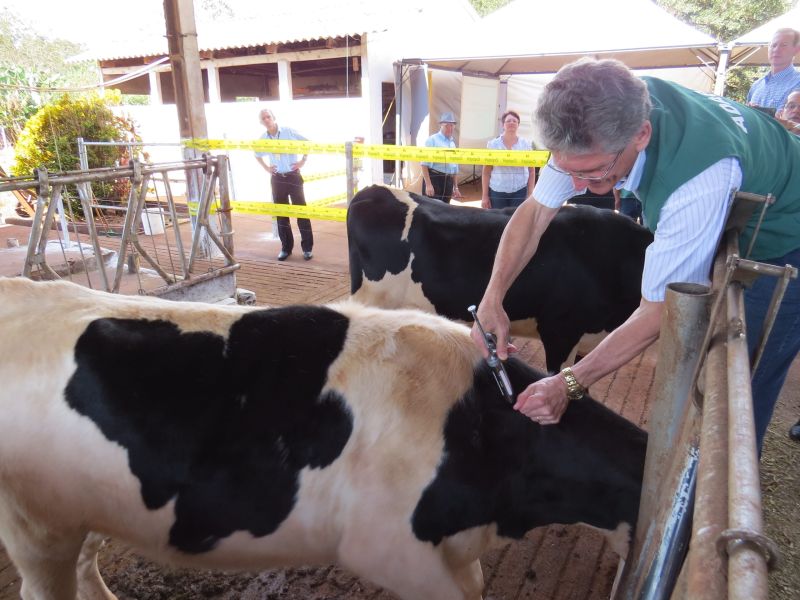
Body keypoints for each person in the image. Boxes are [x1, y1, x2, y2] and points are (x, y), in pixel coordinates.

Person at [472, 58, 800, 454]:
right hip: (747, 199)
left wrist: (568, 383)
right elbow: (536, 213)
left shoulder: (694, 180)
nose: (576, 185)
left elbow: (659, 310)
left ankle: (713, 491)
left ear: (641, 134)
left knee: (741, 379)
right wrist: (493, 299)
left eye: (592, 173)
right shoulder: (606, 104)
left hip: (785, 240)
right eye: (566, 169)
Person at [254, 108, 314, 261]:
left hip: (293, 177)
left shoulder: (288, 132)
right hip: (277, 179)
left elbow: (307, 143)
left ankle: (307, 248)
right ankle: (286, 248)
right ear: (261, 122)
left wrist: (302, 161)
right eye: (263, 118)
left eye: (268, 117)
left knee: (301, 212)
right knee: (281, 214)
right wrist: (266, 168)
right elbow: (257, 154)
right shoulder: (263, 139)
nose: (266, 120)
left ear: (274, 117)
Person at [481, 110, 536, 209]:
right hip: (497, 192)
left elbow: (531, 171)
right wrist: (485, 196)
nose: (511, 123)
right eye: (508, 121)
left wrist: (530, 193)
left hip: (520, 191)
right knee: (498, 221)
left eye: (514, 121)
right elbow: (486, 172)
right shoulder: (493, 145)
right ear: (503, 125)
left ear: (518, 125)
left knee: (517, 221)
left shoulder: (526, 144)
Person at [746, 28, 800, 112]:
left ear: (797, 49)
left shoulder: (798, 83)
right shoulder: (756, 86)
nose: (776, 49)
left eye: (784, 45)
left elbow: (795, 122)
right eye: (773, 45)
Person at [420, 112, 463, 203]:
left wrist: (455, 187)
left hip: (448, 181)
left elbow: (454, 168)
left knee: (445, 210)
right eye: (447, 125)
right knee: (431, 210)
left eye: (452, 125)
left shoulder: (452, 144)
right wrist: (428, 184)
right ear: (441, 126)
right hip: (434, 179)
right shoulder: (432, 140)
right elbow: (424, 164)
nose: (450, 128)